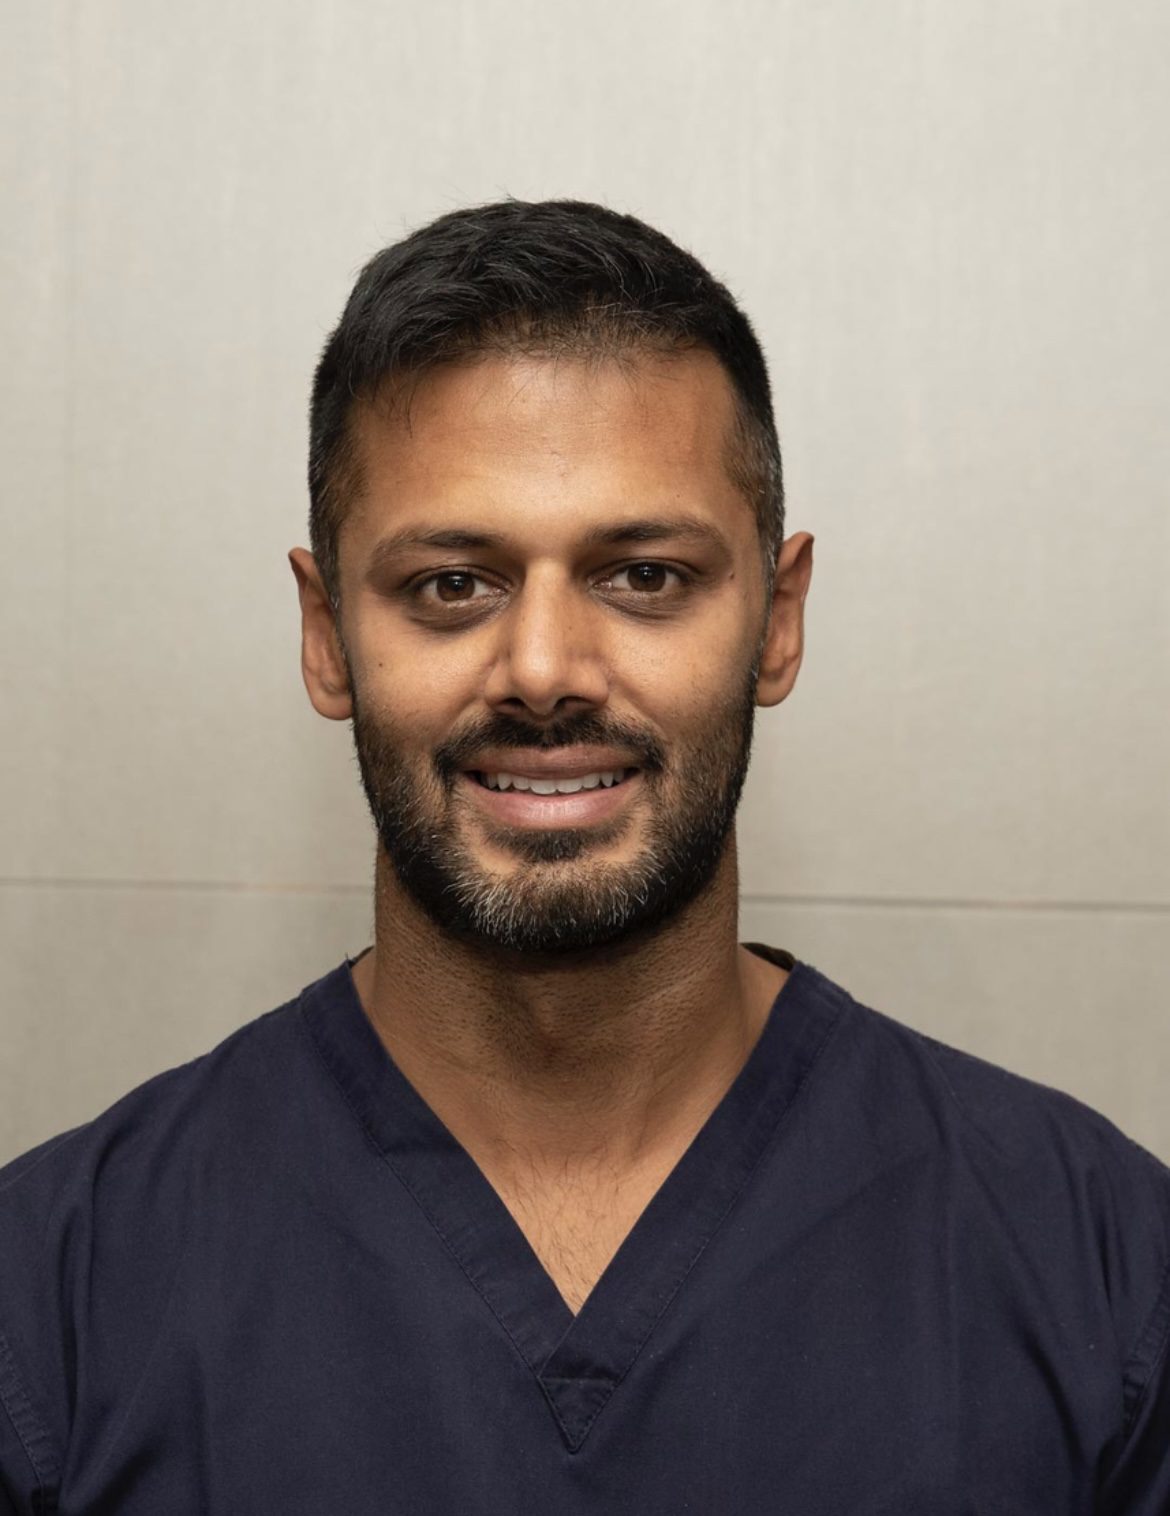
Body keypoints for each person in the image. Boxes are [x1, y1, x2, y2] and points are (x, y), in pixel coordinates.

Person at [0, 200, 1166, 1515]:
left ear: (777, 623)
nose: (544, 670)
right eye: (452, 583)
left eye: (644, 576)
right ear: (326, 636)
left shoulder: (1102, 1267)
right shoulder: (55, 1295)